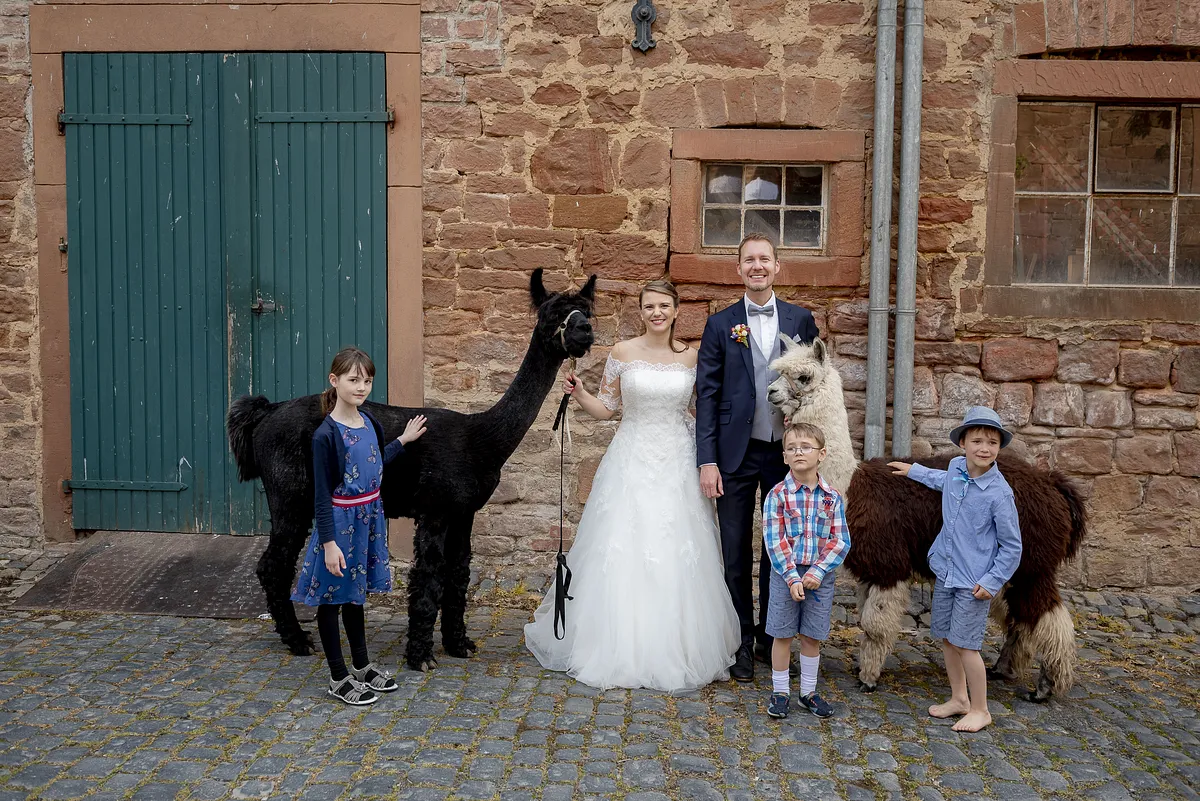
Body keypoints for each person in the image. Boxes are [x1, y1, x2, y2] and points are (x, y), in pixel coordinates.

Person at [524, 280, 740, 693]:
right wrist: (582, 393)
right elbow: (607, 410)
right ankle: (616, 644)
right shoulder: (622, 353)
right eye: (648, 306)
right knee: (623, 546)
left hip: (676, 459)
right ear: (639, 312)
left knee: (677, 549)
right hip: (631, 458)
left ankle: (678, 645)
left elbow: (700, 411)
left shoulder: (692, 357)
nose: (656, 312)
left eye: (664, 306)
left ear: (677, 311)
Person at [696, 233, 821, 682]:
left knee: (776, 549)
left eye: (764, 259)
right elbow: (707, 396)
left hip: (782, 455)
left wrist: (806, 446)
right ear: (739, 270)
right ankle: (740, 643)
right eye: (749, 260)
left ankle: (773, 638)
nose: (757, 266)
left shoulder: (802, 320)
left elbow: (814, 386)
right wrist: (706, 461)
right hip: (733, 454)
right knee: (733, 551)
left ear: (777, 266)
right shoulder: (720, 324)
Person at [292, 347, 428, 705]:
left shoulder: (369, 423)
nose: (362, 387)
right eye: (353, 380)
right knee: (331, 599)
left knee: (355, 596)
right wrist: (329, 542)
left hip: (367, 519)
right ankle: (338, 676)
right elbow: (321, 495)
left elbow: (375, 460)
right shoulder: (326, 435)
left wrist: (402, 441)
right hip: (339, 524)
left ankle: (363, 666)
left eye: (367, 380)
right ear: (334, 381)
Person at [888, 406, 1022, 732]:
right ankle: (959, 698)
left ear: (998, 447)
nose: (984, 448)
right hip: (946, 571)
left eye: (992, 442)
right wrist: (914, 471)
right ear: (963, 443)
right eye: (977, 440)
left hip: (973, 581)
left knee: (967, 645)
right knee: (948, 639)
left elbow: (1012, 547)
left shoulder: (999, 494)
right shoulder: (957, 468)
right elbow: (943, 480)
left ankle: (981, 708)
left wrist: (991, 582)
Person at [762, 423, 850, 719]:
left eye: (806, 447)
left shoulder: (832, 497)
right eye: (792, 448)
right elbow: (774, 540)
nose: (798, 452)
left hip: (819, 576)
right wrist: (791, 576)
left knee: (812, 636)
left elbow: (840, 540)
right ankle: (780, 691)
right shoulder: (777, 495)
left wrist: (817, 572)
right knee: (782, 633)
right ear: (784, 456)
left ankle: (808, 692)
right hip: (784, 571)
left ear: (821, 453)